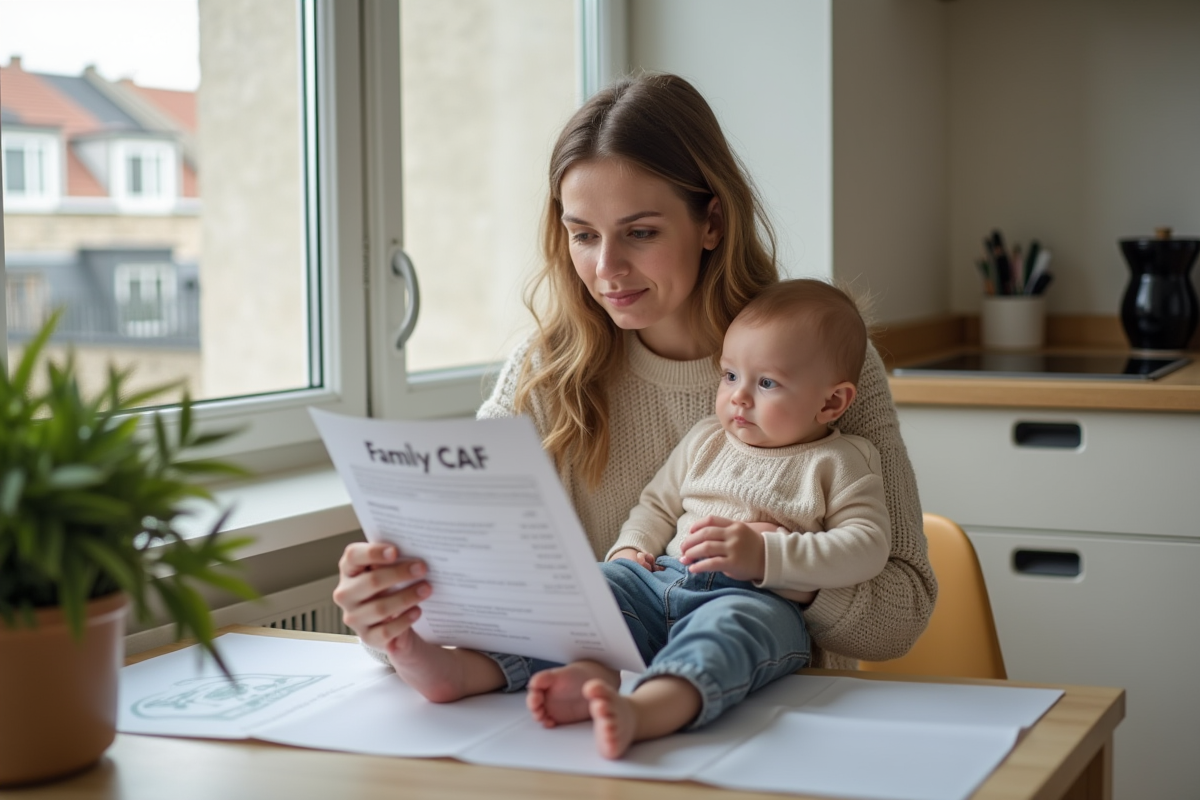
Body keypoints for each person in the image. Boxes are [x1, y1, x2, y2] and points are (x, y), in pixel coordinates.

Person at [332, 71, 934, 716]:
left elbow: (901, 615)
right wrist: (390, 613)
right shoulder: (543, 373)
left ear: (712, 221)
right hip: (578, 718)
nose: (606, 268)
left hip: (775, 718)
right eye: (584, 234)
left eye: (640, 232)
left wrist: (774, 566)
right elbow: (468, 587)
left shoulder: (816, 366)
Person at [520, 278, 891, 757]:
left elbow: (867, 547)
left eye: (767, 383)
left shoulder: (841, 461)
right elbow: (655, 506)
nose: (738, 397)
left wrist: (766, 556)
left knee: (729, 633)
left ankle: (650, 708)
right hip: (661, 582)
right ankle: (574, 676)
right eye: (730, 375)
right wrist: (631, 549)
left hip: (755, 600)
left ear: (832, 402)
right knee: (596, 585)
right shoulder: (705, 440)